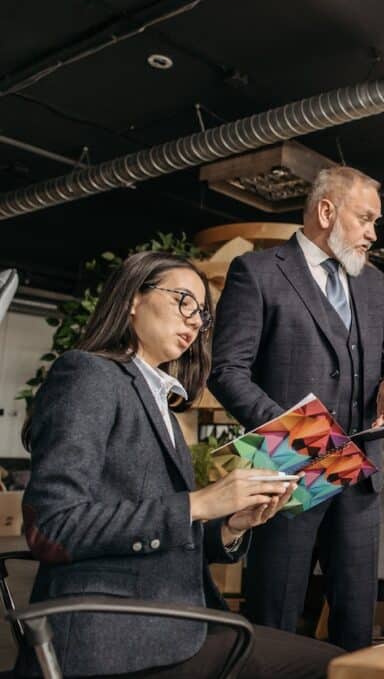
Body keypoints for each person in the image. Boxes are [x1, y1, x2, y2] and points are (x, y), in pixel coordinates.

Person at [18, 251, 340, 678]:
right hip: (112, 636)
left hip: (175, 621)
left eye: (202, 314)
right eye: (183, 300)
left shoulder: (161, 405)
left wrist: (230, 525)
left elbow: (165, 539)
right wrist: (196, 504)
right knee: (336, 666)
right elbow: (53, 527)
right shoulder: (87, 374)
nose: (194, 320)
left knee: (337, 661)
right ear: (133, 298)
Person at [208, 166, 384, 650]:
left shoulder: (371, 282)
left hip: (359, 476)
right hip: (287, 469)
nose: (372, 234)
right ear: (327, 211)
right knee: (275, 612)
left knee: (355, 621)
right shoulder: (257, 272)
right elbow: (227, 371)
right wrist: (301, 435)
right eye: (365, 219)